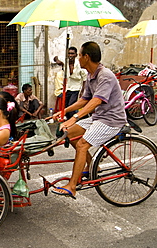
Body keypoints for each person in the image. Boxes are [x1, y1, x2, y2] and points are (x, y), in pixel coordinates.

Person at [50, 41, 127, 199]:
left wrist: (75, 117)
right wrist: (64, 111)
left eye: (79, 55)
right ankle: (93, 166)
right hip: (99, 117)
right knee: (70, 133)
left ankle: (72, 186)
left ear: (86, 57)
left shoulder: (105, 75)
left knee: (82, 145)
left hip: (111, 120)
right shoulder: (91, 75)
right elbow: (85, 99)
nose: (78, 58)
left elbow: (96, 101)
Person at [55, 47, 87, 119]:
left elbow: (85, 79)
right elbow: (55, 57)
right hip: (67, 88)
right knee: (65, 106)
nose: (70, 55)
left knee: (71, 106)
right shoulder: (65, 61)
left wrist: (82, 91)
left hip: (76, 89)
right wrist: (58, 61)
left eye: (72, 54)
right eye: (69, 53)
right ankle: (68, 122)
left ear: (76, 55)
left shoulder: (79, 64)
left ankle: (73, 121)